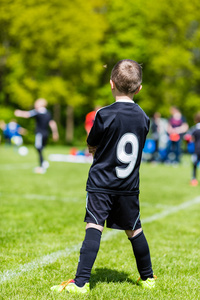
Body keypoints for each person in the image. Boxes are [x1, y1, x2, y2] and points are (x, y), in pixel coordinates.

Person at [51, 59, 156, 294]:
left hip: (102, 183)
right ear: (139, 88)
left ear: (111, 84)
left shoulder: (104, 114)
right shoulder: (143, 117)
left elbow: (92, 143)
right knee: (135, 230)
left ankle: (81, 283)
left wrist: (94, 148)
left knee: (94, 226)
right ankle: (148, 278)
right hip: (129, 186)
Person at [14, 98, 59, 173]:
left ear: (42, 104)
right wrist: (55, 132)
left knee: (38, 148)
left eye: (37, 103)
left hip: (40, 134)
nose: (35, 104)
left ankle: (41, 166)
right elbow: (52, 123)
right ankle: (44, 162)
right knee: (41, 148)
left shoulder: (37, 111)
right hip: (46, 134)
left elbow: (27, 114)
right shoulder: (48, 113)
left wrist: (19, 113)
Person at [187, 112, 200, 186]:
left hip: (197, 150)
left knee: (194, 164)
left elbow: (189, 138)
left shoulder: (195, 129)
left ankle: (194, 179)